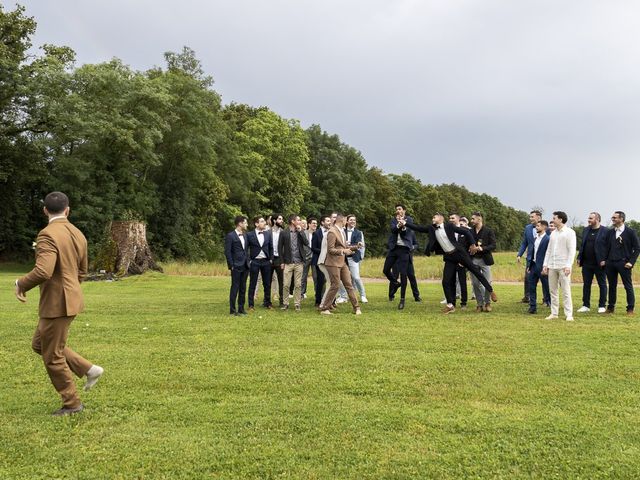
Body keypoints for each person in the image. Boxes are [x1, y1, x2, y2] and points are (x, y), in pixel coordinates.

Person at [14, 192, 103, 416]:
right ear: (67, 210)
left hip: (57, 303)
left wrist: (21, 283)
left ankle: (72, 404)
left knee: (52, 355)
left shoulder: (47, 235)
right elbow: (82, 271)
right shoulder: (78, 233)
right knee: (39, 345)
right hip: (70, 299)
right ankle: (88, 369)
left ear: (45, 210)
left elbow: (43, 270)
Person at [405, 213, 497, 314]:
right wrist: (405, 223)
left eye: (434, 217)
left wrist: (472, 244)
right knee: (445, 281)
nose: (432, 219)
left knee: (475, 271)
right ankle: (450, 305)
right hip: (449, 257)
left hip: (459, 253)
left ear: (441, 219)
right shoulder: (431, 228)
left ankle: (491, 291)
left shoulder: (449, 226)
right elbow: (418, 228)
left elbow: (466, 232)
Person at [319, 214, 362, 315]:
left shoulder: (342, 231)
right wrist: (343, 251)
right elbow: (330, 250)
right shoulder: (332, 232)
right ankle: (325, 308)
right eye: (346, 220)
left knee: (349, 284)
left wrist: (356, 246)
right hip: (332, 262)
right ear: (341, 220)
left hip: (342, 262)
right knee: (335, 285)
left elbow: (344, 246)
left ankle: (356, 308)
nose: (347, 222)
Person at [603, 211, 640, 316]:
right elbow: (606, 248)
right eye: (612, 217)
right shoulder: (610, 232)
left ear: (621, 219)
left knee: (628, 286)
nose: (613, 219)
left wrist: (631, 262)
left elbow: (637, 248)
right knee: (612, 286)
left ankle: (630, 309)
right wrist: (605, 260)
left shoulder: (630, 232)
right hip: (610, 263)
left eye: (615, 217)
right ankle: (610, 308)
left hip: (624, 263)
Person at [542, 211, 577, 321]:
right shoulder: (553, 233)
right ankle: (554, 313)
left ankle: (569, 314)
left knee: (566, 291)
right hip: (552, 265)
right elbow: (549, 250)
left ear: (561, 219)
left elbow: (572, 250)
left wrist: (568, 265)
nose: (552, 220)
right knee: (553, 291)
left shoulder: (569, 232)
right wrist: (545, 264)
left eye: (554, 218)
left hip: (563, 266)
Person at [382, 204, 415, 307]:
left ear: (404, 210)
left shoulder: (409, 219)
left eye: (400, 209)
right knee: (386, 270)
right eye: (396, 209)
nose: (398, 210)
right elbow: (393, 230)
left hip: (404, 249)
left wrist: (403, 225)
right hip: (394, 249)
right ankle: (396, 283)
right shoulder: (393, 220)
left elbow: (406, 233)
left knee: (403, 274)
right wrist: (398, 225)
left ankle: (402, 300)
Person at [576, 212, 608, 314]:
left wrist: (605, 260)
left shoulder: (606, 231)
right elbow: (583, 245)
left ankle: (602, 305)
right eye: (588, 218)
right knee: (586, 284)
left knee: (602, 284)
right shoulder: (586, 230)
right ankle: (586, 305)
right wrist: (579, 257)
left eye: (590, 218)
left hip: (600, 263)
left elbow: (609, 247)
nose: (588, 220)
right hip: (586, 263)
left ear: (597, 219)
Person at [278, 214, 309, 311]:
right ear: (293, 221)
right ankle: (285, 303)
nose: (300, 222)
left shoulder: (301, 231)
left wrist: (301, 231)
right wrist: (282, 261)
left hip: (299, 262)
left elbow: (306, 243)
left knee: (298, 284)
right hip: (288, 262)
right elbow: (280, 248)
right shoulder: (284, 232)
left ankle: (297, 304)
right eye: (298, 220)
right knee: (286, 284)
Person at [469, 212, 497, 312]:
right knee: (475, 283)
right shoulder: (470, 231)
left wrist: (482, 248)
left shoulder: (488, 231)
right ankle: (479, 304)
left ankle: (487, 303)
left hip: (485, 260)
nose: (471, 221)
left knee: (487, 282)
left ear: (479, 219)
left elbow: (493, 245)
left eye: (473, 219)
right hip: (473, 260)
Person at [337, 215, 368, 303]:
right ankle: (343, 296)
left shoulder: (358, 232)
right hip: (343, 258)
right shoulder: (342, 231)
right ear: (347, 221)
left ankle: (363, 295)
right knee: (340, 278)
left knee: (356, 277)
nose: (353, 221)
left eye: (354, 220)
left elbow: (358, 245)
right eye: (351, 220)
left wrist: (348, 246)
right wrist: (352, 246)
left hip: (354, 258)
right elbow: (340, 244)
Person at [246, 215, 273, 311]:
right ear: (256, 224)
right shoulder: (249, 235)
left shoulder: (268, 234)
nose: (264, 223)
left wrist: (270, 259)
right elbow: (246, 249)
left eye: (264, 221)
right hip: (255, 261)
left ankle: (268, 303)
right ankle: (251, 305)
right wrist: (249, 260)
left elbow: (271, 247)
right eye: (262, 221)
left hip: (266, 261)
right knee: (252, 283)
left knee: (267, 284)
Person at [225, 215, 250, 316]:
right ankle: (232, 310)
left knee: (243, 287)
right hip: (236, 265)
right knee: (235, 287)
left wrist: (248, 260)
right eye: (245, 222)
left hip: (245, 265)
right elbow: (227, 252)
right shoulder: (230, 236)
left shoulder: (245, 235)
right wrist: (231, 265)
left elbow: (246, 250)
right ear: (240, 223)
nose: (247, 224)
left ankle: (241, 308)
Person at [517, 210, 542, 303]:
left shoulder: (546, 228)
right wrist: (519, 254)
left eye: (532, 217)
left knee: (544, 279)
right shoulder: (527, 228)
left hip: (542, 259)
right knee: (527, 278)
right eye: (530, 217)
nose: (530, 218)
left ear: (538, 218)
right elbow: (524, 243)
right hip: (530, 258)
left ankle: (545, 299)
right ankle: (527, 297)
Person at [526, 220, 551, 314]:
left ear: (544, 227)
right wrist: (529, 265)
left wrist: (547, 266)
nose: (536, 227)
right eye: (536, 226)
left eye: (538, 226)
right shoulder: (535, 238)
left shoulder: (548, 239)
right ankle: (532, 307)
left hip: (543, 267)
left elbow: (549, 254)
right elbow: (531, 252)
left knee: (547, 286)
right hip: (533, 266)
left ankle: (551, 304)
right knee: (531, 286)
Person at [448, 213, 469, 309]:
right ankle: (452, 302)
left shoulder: (465, 231)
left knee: (462, 282)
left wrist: (464, 261)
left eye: (453, 218)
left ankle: (463, 303)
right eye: (450, 218)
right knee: (451, 282)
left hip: (461, 261)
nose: (451, 219)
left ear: (458, 219)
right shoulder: (449, 231)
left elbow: (467, 247)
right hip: (451, 261)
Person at [269, 214, 285, 307]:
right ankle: (267, 301)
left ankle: (282, 301)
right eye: (279, 219)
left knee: (281, 281)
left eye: (282, 219)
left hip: (280, 259)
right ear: (274, 221)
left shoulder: (283, 232)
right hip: (270, 259)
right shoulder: (268, 232)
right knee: (267, 281)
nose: (281, 220)